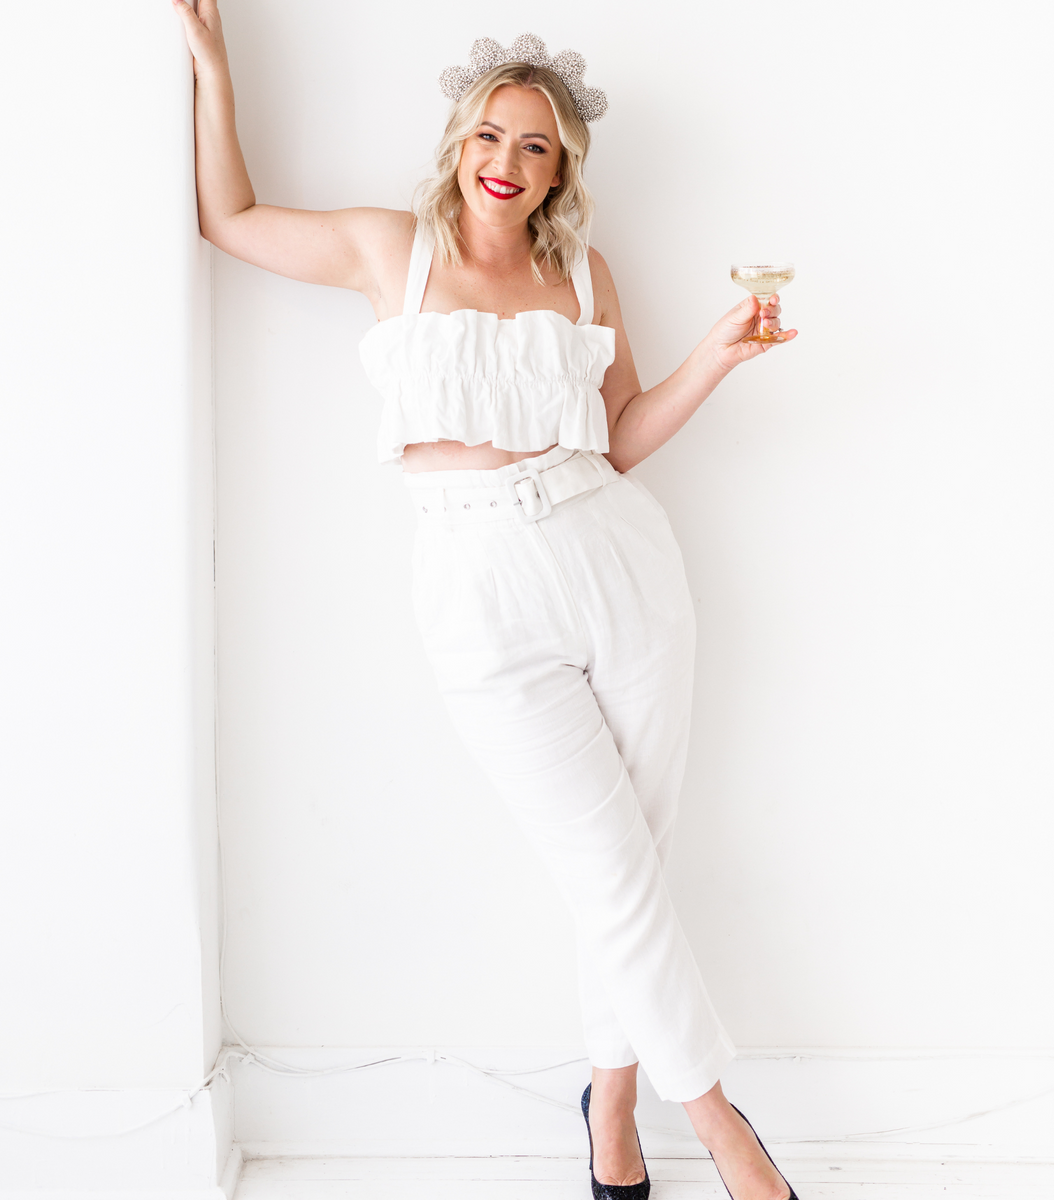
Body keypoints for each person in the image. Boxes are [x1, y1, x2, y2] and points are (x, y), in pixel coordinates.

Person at [172, 3, 799, 1197]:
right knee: (608, 872)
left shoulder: (582, 275)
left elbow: (614, 442)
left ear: (563, 169)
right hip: (474, 586)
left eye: (538, 147)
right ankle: (725, 1132)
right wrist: (214, 66)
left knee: (632, 870)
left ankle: (610, 1112)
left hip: (617, 563)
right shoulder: (386, 250)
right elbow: (230, 219)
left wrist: (715, 358)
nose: (509, 164)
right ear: (459, 143)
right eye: (493, 138)